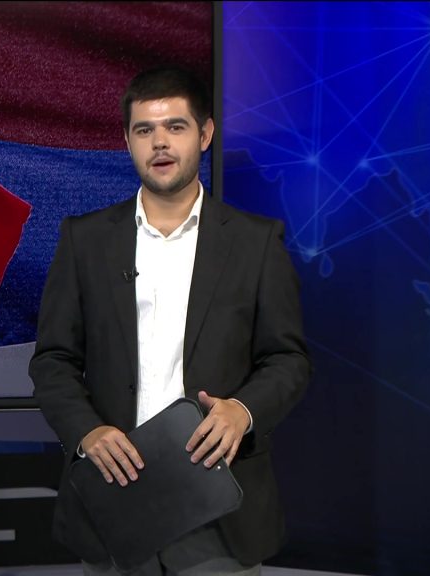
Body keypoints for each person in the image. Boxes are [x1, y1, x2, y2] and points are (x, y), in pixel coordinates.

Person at [28, 66, 311, 575]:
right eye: (144, 130)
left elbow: (287, 359)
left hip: (218, 504)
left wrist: (243, 410)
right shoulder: (85, 240)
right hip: (116, 499)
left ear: (204, 134)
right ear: (127, 141)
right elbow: (53, 360)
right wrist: (86, 432)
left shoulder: (255, 243)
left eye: (175, 127)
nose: (159, 142)